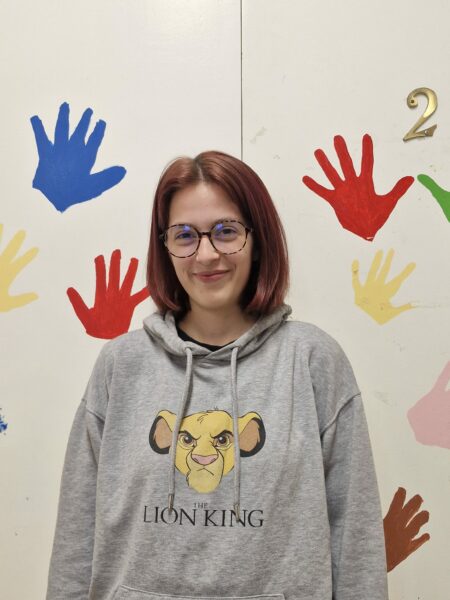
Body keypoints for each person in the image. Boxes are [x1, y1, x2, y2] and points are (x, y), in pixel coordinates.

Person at [46, 150, 388, 600]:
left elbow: (355, 539)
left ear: (258, 239)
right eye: (185, 235)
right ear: (166, 247)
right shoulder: (120, 366)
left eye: (226, 231)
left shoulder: (313, 361)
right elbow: (76, 538)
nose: (206, 254)